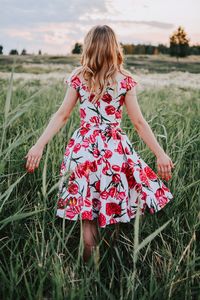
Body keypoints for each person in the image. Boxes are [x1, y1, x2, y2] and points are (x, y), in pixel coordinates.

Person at [24, 24, 175, 264]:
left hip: (83, 151)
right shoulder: (124, 81)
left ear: (89, 46)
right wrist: (160, 154)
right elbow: (139, 122)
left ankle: (88, 269)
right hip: (114, 151)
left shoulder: (79, 76)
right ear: (115, 47)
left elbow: (62, 115)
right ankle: (111, 262)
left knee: (88, 213)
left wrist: (39, 145)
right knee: (113, 203)